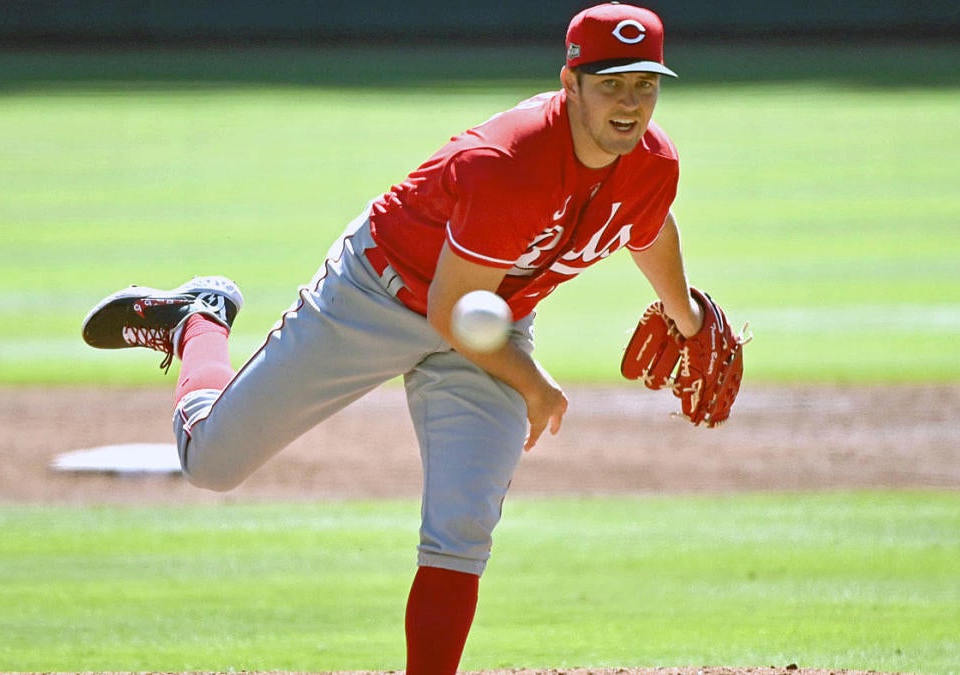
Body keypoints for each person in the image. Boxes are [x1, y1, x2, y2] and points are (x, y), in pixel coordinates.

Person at [82, 3, 702, 671]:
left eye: (645, 84)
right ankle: (197, 318)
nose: (630, 102)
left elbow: (648, 226)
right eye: (610, 83)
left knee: (461, 527)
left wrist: (688, 318)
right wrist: (534, 385)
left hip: (489, 318)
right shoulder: (511, 162)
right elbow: (449, 310)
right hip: (378, 294)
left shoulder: (652, 160)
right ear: (569, 83)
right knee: (210, 462)